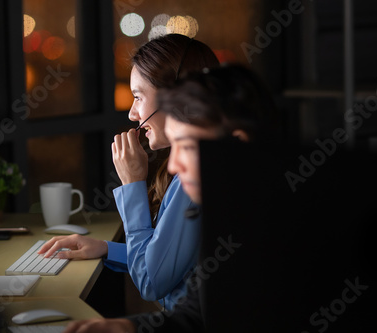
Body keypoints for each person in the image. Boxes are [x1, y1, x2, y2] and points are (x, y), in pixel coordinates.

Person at [61, 63, 282, 332]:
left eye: (186, 146)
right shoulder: (230, 217)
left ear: (237, 144)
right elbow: (193, 317)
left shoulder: (283, 230)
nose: (174, 165)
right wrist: (125, 328)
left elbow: (154, 282)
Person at [38, 33, 220, 311]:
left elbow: (151, 281)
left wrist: (133, 183)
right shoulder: (198, 162)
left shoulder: (192, 177)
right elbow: (171, 258)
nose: (132, 114)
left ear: (172, 99)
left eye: (138, 97)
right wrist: (107, 248)